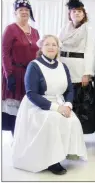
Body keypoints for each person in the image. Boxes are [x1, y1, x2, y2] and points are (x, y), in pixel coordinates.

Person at [12, 35, 88, 175]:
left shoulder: (62, 66)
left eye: (54, 44)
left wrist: (68, 105)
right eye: (47, 44)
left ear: (58, 48)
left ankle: (66, 152)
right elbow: (31, 94)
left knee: (72, 119)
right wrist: (57, 108)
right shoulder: (34, 66)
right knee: (52, 120)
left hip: (59, 102)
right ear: (41, 47)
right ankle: (52, 160)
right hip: (37, 105)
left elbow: (70, 89)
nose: (51, 47)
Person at [2, 0, 39, 136]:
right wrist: (8, 74)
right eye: (21, 10)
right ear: (15, 13)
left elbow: (38, 52)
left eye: (26, 10)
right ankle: (16, 138)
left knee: (29, 105)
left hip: (30, 73)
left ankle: (27, 137)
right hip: (15, 73)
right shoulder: (10, 29)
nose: (24, 12)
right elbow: (4, 54)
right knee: (15, 107)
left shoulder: (35, 31)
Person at [58, 0, 95, 104]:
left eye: (79, 11)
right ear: (70, 14)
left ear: (84, 14)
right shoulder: (64, 28)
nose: (77, 13)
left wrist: (87, 73)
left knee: (78, 100)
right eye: (74, 11)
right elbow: (57, 45)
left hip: (79, 68)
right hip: (64, 65)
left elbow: (90, 51)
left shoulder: (88, 29)